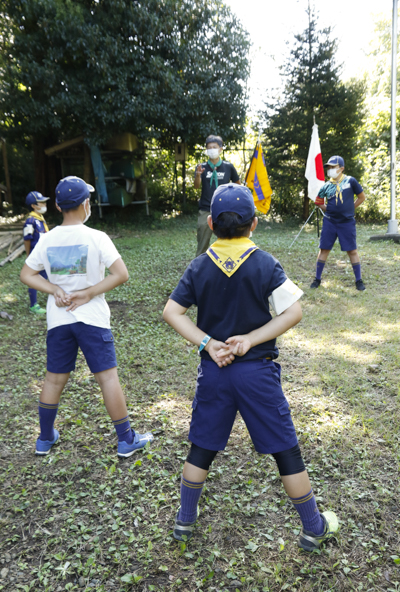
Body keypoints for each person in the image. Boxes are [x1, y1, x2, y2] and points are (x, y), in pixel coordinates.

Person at [163, 183, 339, 552]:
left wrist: (208, 343)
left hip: (214, 372)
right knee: (285, 449)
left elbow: (171, 312)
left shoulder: (199, 266)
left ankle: (184, 520)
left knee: (201, 447)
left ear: (211, 223)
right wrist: (252, 339)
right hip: (257, 373)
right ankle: (313, 526)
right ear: (253, 224)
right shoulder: (264, 262)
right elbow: (294, 312)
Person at [20, 176, 153, 457]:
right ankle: (125, 439)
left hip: (58, 320)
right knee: (107, 378)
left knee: (53, 380)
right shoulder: (97, 237)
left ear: (57, 205)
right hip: (92, 318)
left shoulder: (47, 239)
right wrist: (89, 292)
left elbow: (26, 274)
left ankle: (44, 438)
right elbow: (121, 274)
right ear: (85, 205)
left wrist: (54, 288)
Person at [310, 155, 366, 291]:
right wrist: (328, 209)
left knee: (352, 250)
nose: (330, 170)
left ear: (341, 168)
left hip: (346, 223)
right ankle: (317, 279)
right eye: (328, 168)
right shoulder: (326, 186)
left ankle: (358, 280)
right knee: (324, 249)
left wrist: (350, 208)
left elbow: (361, 197)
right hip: (330, 222)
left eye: (333, 167)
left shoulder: (350, 181)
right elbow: (318, 201)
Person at [194, 135, 240, 256]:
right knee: (202, 242)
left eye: (214, 147)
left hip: (224, 209)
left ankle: (226, 263)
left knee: (226, 240)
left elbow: (238, 185)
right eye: (209, 147)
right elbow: (196, 186)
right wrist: (198, 175)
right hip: (205, 209)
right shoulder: (201, 167)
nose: (212, 149)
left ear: (220, 149)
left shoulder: (228, 166)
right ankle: (199, 266)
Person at [23, 191, 50, 315]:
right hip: (36, 254)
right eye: (41, 202)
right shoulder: (30, 221)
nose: (44, 204)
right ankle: (33, 305)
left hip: (45, 253)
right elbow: (27, 239)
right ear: (34, 205)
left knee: (47, 275)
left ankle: (54, 294)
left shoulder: (40, 219)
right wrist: (29, 255)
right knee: (34, 278)